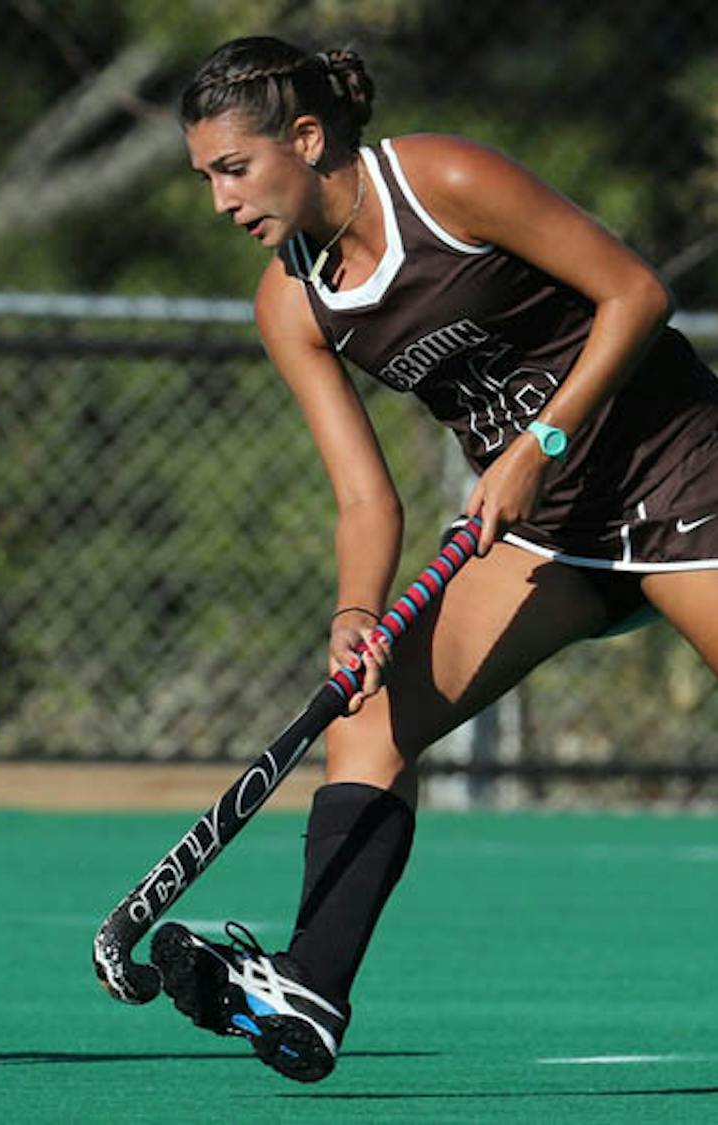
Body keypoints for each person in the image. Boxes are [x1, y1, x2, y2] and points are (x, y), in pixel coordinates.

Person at [150, 36, 718, 1083]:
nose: (221, 202)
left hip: (683, 477)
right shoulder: (292, 302)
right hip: (549, 535)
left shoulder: (443, 182)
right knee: (373, 716)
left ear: (306, 139)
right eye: (206, 178)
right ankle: (313, 987)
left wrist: (539, 443)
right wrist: (352, 617)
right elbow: (366, 496)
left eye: (234, 169)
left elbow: (636, 294)